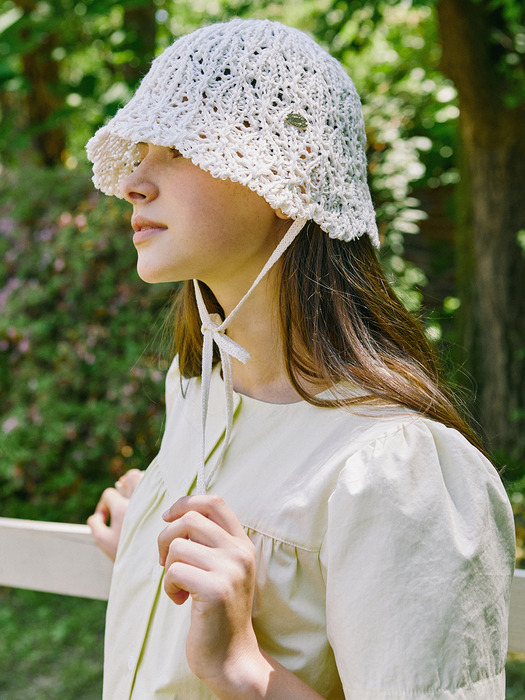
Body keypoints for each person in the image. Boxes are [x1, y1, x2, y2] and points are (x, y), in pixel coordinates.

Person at [86, 18, 515, 700]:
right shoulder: (197, 392)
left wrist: (245, 668)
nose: (134, 181)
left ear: (289, 174)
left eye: (176, 148)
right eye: (139, 150)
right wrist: (148, 546)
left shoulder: (394, 469)